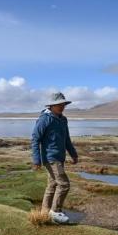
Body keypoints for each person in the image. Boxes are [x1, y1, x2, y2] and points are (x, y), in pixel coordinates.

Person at [31, 92, 79, 224]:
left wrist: (73, 154)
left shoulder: (63, 119)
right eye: (59, 104)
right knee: (64, 184)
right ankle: (55, 211)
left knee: (52, 184)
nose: (62, 107)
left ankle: (45, 213)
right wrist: (36, 160)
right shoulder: (44, 119)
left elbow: (67, 139)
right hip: (50, 158)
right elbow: (35, 140)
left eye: (63, 104)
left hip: (60, 157)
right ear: (51, 106)